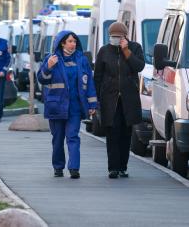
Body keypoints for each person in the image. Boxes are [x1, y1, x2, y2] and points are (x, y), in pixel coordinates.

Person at [37, 30, 97, 179]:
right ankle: (58, 167)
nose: (73, 44)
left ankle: (74, 168)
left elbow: (89, 82)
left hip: (74, 107)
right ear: (62, 43)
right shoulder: (52, 59)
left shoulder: (82, 60)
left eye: (75, 41)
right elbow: (42, 79)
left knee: (73, 137)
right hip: (56, 106)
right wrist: (48, 67)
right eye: (70, 41)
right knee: (57, 139)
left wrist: (92, 105)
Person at [94, 22, 145, 179]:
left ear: (125, 36)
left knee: (126, 133)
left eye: (118, 37)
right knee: (112, 133)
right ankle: (113, 168)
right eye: (113, 37)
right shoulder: (104, 51)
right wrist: (95, 99)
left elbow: (139, 66)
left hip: (128, 99)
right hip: (109, 99)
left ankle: (123, 167)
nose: (115, 39)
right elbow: (98, 76)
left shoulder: (135, 48)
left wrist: (126, 50)